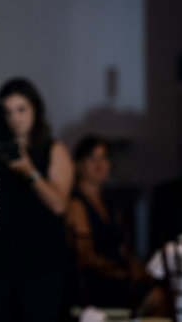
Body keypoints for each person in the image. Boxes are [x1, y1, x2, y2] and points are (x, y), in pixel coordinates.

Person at [0, 77, 74, 321]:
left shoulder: (54, 150)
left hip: (41, 262)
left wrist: (30, 171)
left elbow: (59, 205)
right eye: (8, 112)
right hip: (0, 260)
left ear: (35, 110)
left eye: (21, 109)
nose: (15, 118)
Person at [66, 135, 169, 315]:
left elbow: (122, 247)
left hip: (118, 277)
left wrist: (142, 271)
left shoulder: (111, 202)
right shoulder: (76, 204)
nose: (99, 164)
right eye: (92, 158)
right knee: (159, 297)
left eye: (104, 158)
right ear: (79, 164)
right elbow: (85, 256)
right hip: (94, 283)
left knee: (168, 290)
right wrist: (122, 273)